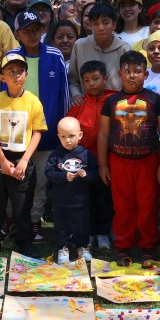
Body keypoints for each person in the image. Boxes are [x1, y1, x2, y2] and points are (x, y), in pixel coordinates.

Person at [98, 51, 160, 262]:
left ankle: (148, 246)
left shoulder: (154, 100)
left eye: (137, 72)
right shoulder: (111, 102)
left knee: (148, 205)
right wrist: (103, 165)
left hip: (148, 161)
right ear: (119, 73)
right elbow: (103, 134)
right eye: (127, 72)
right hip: (118, 161)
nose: (132, 76)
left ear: (145, 74)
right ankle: (123, 246)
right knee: (122, 206)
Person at [5, 11, 70, 244]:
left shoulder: (55, 55)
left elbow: (64, 95)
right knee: (15, 178)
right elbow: (3, 95)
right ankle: (11, 220)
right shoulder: (11, 56)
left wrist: (61, 129)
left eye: (36, 29)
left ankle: (34, 220)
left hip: (47, 133)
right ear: (17, 34)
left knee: (41, 180)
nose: (32, 34)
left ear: (43, 30)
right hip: (16, 133)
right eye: (26, 30)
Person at [0, 54, 46, 257]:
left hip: (22, 158)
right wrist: (2, 160)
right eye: (11, 72)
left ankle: (24, 241)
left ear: (26, 75)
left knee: (22, 203)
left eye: (20, 71)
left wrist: (25, 160)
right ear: (2, 77)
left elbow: (37, 132)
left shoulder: (33, 102)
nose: (16, 75)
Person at [67, 61, 117, 251]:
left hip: (108, 159)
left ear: (105, 79)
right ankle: (86, 234)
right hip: (84, 160)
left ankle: (103, 233)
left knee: (104, 198)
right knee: (85, 199)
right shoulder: (79, 103)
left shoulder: (114, 100)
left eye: (96, 79)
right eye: (86, 80)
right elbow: (68, 128)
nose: (92, 84)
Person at [46, 117, 98, 264]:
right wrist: (63, 177)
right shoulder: (56, 155)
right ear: (58, 137)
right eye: (63, 137)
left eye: (71, 136)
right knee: (61, 227)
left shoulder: (86, 154)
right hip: (61, 201)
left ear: (80, 135)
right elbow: (49, 173)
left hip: (81, 201)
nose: (67, 140)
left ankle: (82, 247)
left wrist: (86, 175)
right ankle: (63, 248)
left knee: (82, 225)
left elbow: (95, 174)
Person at [67, 3, 129, 102]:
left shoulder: (125, 49)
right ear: (91, 25)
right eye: (96, 23)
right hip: (87, 106)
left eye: (105, 22)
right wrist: (76, 94)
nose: (100, 28)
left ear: (114, 25)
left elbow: (129, 83)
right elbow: (72, 79)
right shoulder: (80, 45)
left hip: (115, 106)